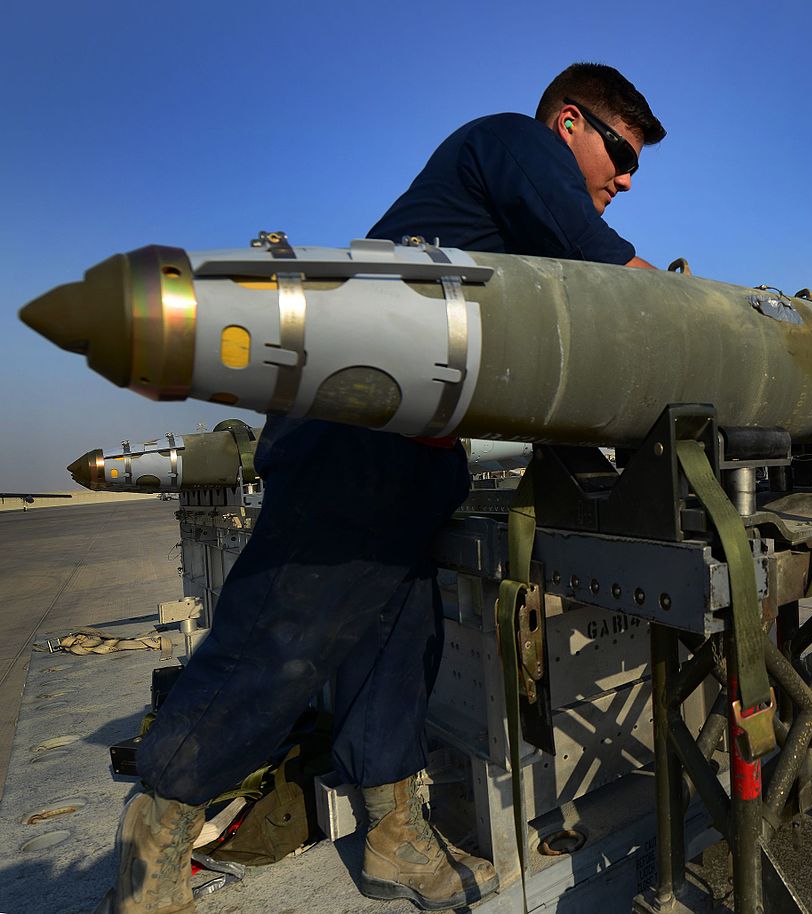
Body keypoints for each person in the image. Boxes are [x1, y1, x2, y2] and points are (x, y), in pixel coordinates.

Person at [97, 62, 665, 914]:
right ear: (569, 123)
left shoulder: (516, 221)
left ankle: (394, 834)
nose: (625, 180)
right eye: (621, 154)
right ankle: (159, 833)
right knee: (287, 629)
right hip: (352, 423)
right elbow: (623, 285)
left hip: (413, 446)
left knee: (398, 641)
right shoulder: (514, 142)